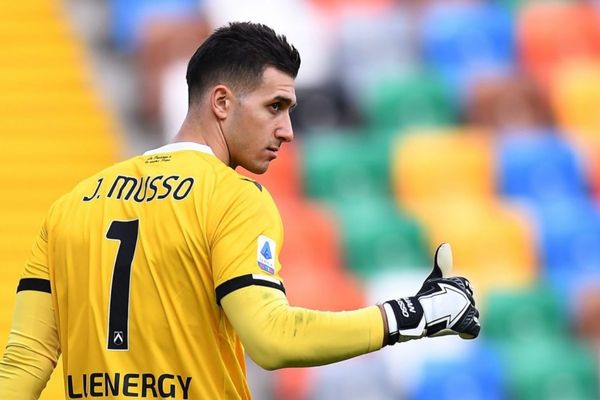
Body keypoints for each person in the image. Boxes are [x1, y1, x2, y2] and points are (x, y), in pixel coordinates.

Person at [0, 22, 480, 399]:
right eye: (275, 106)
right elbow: (273, 340)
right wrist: (416, 314)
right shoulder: (232, 198)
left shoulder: (72, 204)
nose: (287, 130)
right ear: (222, 102)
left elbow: (25, 360)